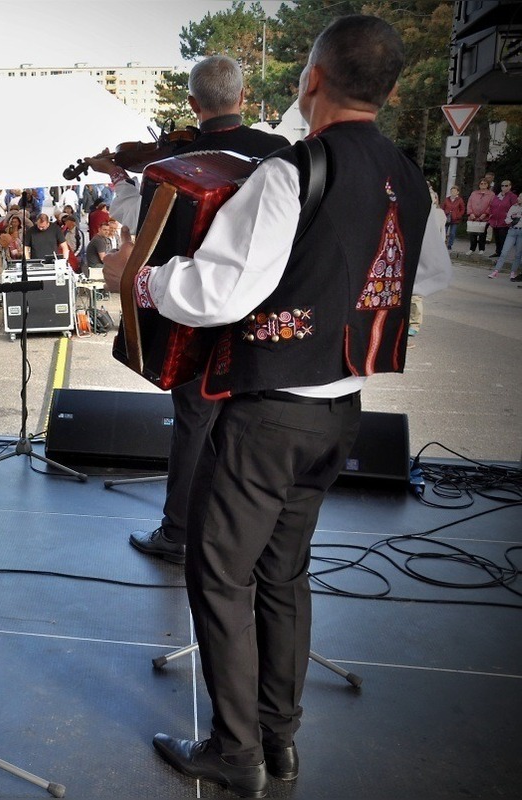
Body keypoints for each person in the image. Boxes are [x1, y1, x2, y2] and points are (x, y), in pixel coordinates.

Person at [131, 19, 451, 797]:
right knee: (284, 571)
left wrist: (143, 280)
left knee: (218, 573)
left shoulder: (290, 173)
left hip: (270, 413)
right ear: (392, 90)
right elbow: (426, 279)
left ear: (311, 82)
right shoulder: (413, 180)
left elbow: (217, 293)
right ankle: (282, 741)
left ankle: (235, 752)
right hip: (343, 408)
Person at [87, 55, 292, 566]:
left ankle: (179, 531)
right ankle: (246, 536)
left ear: (193, 105)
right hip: (262, 311)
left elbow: (146, 223)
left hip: (194, 311)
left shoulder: (169, 166)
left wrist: (117, 176)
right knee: (250, 424)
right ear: (242, 99)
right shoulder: (280, 155)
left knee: (194, 422)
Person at [488, 198, 522, 281]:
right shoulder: (514, 207)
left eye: (521, 197)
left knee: (518, 254)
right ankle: (496, 271)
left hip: (521, 232)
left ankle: (513, 272)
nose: (518, 198)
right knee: (504, 252)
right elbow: (507, 219)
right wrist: (512, 218)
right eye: (519, 197)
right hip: (512, 231)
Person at [488, 179, 518, 260]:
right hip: (495, 221)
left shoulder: (512, 196)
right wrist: (490, 215)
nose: (504, 187)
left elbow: (515, 209)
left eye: (506, 185)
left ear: (510, 186)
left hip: (505, 222)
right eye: (502, 185)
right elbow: (492, 206)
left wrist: (510, 218)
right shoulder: (497, 196)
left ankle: (503, 254)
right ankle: (498, 252)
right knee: (497, 238)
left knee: (503, 238)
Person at [466, 177, 494, 254]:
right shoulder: (474, 193)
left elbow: (491, 205)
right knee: (472, 234)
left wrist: (485, 214)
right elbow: (469, 204)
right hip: (473, 217)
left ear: (488, 185)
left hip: (484, 218)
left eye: (485, 183)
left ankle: (481, 249)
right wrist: (470, 213)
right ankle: (472, 249)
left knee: (482, 234)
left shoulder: (491, 194)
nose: (483, 185)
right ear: (479, 185)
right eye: (481, 183)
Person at [440, 185, 465, 251]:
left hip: (455, 218)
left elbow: (462, 209)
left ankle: (450, 245)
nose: (453, 192)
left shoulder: (460, 200)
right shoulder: (447, 199)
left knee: (452, 233)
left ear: (457, 192)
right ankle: (442, 244)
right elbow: (443, 207)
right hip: (447, 217)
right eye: (452, 191)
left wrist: (458, 215)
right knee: (444, 231)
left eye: (454, 191)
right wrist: (444, 213)